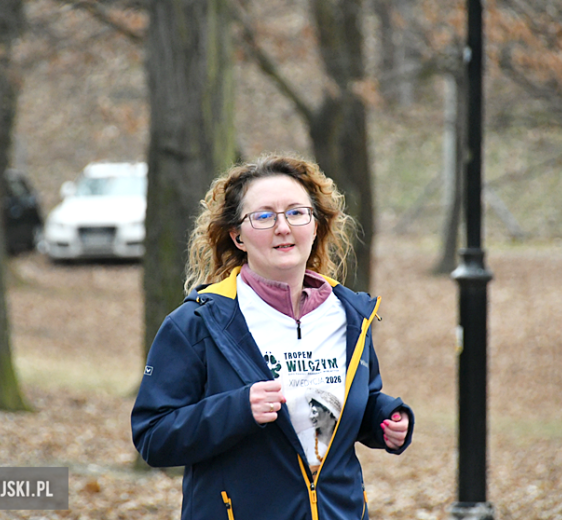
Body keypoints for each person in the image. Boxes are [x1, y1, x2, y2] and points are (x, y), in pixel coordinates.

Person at [131, 154, 414, 520]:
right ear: (237, 236)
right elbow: (153, 436)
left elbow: (343, 407)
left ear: (315, 226)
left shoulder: (349, 316)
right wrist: (237, 409)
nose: (283, 227)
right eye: (264, 216)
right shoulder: (196, 323)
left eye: (296, 212)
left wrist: (383, 418)